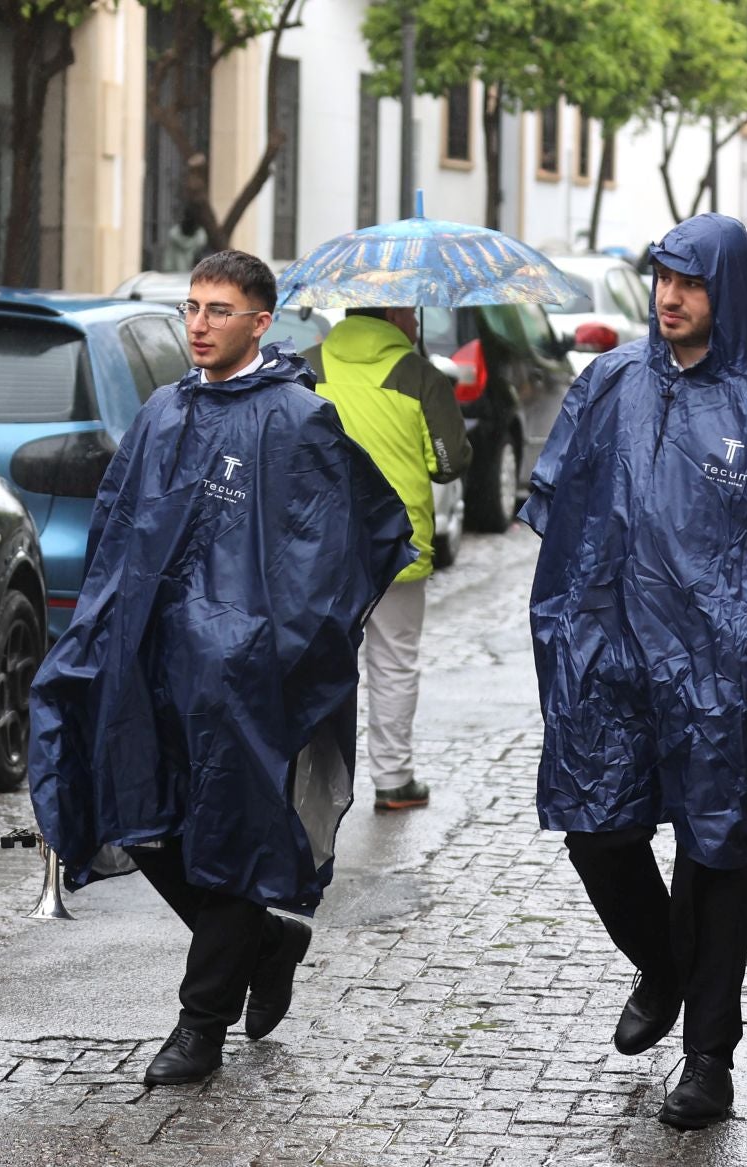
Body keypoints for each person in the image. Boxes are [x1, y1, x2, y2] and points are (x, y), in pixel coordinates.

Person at [521, 212, 747, 1130]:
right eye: (662, 279)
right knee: (596, 829)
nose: (672, 298)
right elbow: (555, 500)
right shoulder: (610, 384)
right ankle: (663, 963)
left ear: (724, 288)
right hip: (612, 662)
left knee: (714, 850)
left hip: (723, 675)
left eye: (690, 282)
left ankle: (708, 1058)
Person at [27, 250, 414, 1088]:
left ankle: (199, 1023)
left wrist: (263, 648)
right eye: (192, 307)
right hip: (151, 665)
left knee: (231, 836)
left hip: (244, 682)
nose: (198, 323)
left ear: (260, 322)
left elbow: (340, 545)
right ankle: (268, 942)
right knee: (145, 819)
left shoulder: (297, 421)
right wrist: (94, 640)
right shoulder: (164, 412)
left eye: (219, 309)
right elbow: (119, 533)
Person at [303, 307, 471, 810]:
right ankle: (394, 780)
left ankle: (309, 785)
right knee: (394, 664)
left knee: (318, 664)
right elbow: (449, 463)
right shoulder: (418, 375)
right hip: (396, 545)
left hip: (321, 547)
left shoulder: (310, 365)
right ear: (397, 313)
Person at [157, 203, 208, 273]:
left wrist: (167, 272)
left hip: (174, 276)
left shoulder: (174, 235)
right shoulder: (200, 238)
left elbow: (168, 261)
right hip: (194, 276)